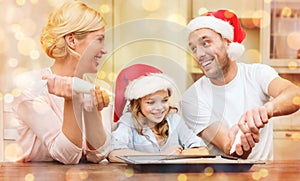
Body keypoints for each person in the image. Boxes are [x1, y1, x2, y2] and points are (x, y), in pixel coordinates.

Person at [182, 9, 300, 160]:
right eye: (194, 48)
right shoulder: (191, 99)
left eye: (205, 43)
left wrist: (266, 110)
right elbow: (228, 146)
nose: (199, 54)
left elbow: (294, 94)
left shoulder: (257, 73)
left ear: (227, 43)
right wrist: (240, 145)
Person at [12, 1, 112, 164]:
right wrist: (71, 100)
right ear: (72, 41)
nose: (104, 49)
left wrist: (91, 110)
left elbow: (98, 155)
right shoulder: (31, 88)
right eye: (98, 40)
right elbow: (67, 156)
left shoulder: (96, 89)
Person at [108, 73, 209, 163]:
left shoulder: (174, 120)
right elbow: (114, 154)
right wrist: (162, 156)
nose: (159, 108)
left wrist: (175, 155)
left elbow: (202, 150)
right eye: (151, 102)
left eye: (164, 100)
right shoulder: (128, 120)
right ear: (138, 103)